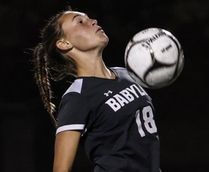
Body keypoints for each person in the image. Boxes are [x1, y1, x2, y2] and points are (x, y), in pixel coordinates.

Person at [32, 9, 161, 172]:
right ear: (64, 43)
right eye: (80, 21)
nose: (93, 21)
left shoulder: (127, 74)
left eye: (89, 18)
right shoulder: (77, 97)